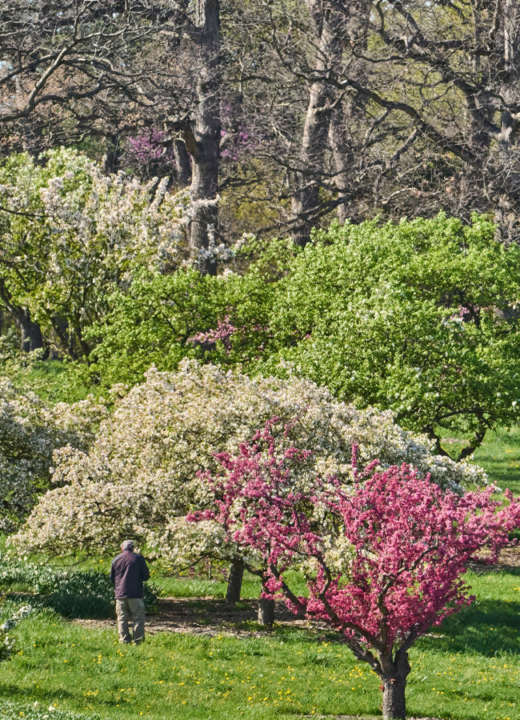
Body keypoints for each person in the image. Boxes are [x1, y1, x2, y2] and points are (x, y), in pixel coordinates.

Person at [110, 540, 150, 644]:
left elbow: (112, 578)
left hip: (120, 594)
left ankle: (124, 641)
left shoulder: (116, 559)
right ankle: (138, 641)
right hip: (135, 593)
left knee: (122, 618)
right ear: (133, 548)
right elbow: (146, 576)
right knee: (138, 618)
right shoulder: (138, 559)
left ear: (122, 547)